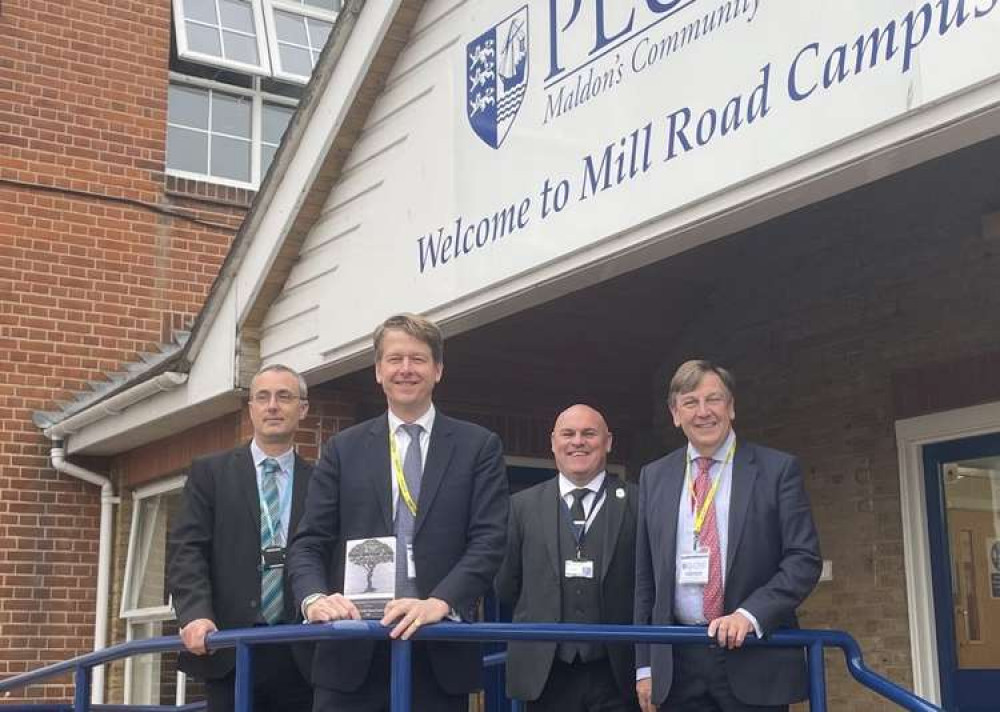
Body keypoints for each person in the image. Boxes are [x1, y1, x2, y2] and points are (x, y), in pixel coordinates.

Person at [287, 313, 508, 712]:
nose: (406, 369)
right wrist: (314, 598)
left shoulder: (479, 447)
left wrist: (440, 601)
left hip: (437, 650)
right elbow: (309, 543)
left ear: (438, 370)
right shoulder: (342, 449)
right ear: (378, 371)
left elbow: (489, 541)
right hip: (351, 653)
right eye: (395, 359)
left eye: (418, 359)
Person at [634, 360, 822, 712]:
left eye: (713, 399)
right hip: (677, 663)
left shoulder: (777, 470)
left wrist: (750, 615)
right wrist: (645, 665)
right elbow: (645, 580)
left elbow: (803, 559)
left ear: (731, 407)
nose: (703, 412)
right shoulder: (653, 477)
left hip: (753, 655)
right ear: (675, 414)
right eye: (690, 402)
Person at [167, 364, 314, 712]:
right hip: (229, 649)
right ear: (251, 409)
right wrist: (195, 614)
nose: (273, 406)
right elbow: (186, 551)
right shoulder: (210, 473)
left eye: (284, 396)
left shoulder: (323, 481)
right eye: (262, 397)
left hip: (303, 652)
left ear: (303, 409)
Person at [497, 404, 639, 711]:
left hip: (616, 673)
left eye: (589, 433)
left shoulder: (638, 503)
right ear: (553, 442)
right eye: (568, 434)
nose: (578, 441)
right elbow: (506, 585)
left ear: (608, 441)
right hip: (546, 675)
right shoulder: (520, 506)